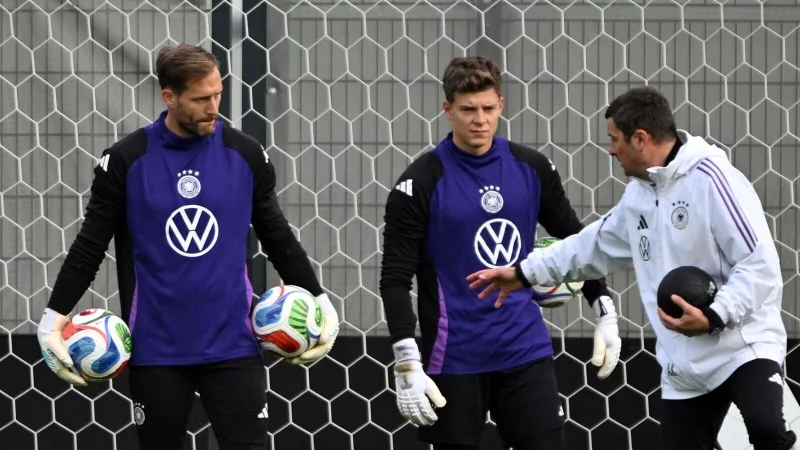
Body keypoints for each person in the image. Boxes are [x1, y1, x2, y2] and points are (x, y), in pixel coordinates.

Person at [36, 43, 339, 450]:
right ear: (170, 97)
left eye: (218, 94)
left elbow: (277, 236)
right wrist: (52, 320)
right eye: (200, 99)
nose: (213, 107)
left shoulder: (245, 154)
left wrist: (321, 300)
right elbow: (90, 245)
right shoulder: (127, 160)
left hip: (234, 344)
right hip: (156, 350)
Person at [467, 86, 796, 450]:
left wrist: (715, 315)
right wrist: (523, 273)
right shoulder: (639, 194)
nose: (611, 150)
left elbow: (760, 264)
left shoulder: (713, 179)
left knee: (768, 429)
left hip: (741, 347)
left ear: (640, 139)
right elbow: (591, 246)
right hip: (684, 367)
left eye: (614, 139)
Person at [378, 56, 622, 450]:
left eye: (488, 108)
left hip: (525, 349)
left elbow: (575, 241)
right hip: (453, 358)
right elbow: (394, 278)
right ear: (448, 109)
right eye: (468, 110)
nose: (480, 120)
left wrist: (603, 308)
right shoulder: (420, 181)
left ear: (501, 105)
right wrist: (406, 360)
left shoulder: (532, 168)